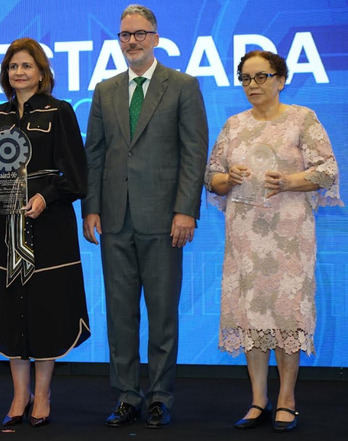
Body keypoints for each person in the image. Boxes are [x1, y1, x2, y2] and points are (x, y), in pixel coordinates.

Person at [82, 4, 208, 428]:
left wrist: (185, 210)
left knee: (162, 314)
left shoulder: (183, 86)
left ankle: (159, 396)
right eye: (124, 35)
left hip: (164, 220)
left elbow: (194, 154)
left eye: (139, 33)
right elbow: (94, 153)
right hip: (115, 220)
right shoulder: (105, 89)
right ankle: (126, 396)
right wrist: (92, 208)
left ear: (155, 37)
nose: (131, 41)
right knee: (120, 315)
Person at [205, 50, 341, 432]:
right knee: (250, 315)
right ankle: (258, 399)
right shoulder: (233, 125)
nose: (253, 85)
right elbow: (211, 177)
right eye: (246, 78)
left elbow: (328, 170)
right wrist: (227, 179)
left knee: (286, 314)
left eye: (261, 77)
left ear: (280, 79)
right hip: (245, 237)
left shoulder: (302, 119)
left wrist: (290, 181)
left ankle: (287, 399)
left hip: (289, 236)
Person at [0, 38, 90, 430]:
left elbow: (76, 176)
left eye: (27, 65)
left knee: (45, 308)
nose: (19, 72)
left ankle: (42, 394)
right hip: (4, 226)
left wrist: (46, 196)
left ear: (41, 72)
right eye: (13, 66)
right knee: (9, 307)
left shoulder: (60, 112)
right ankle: (19, 394)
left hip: (49, 227)